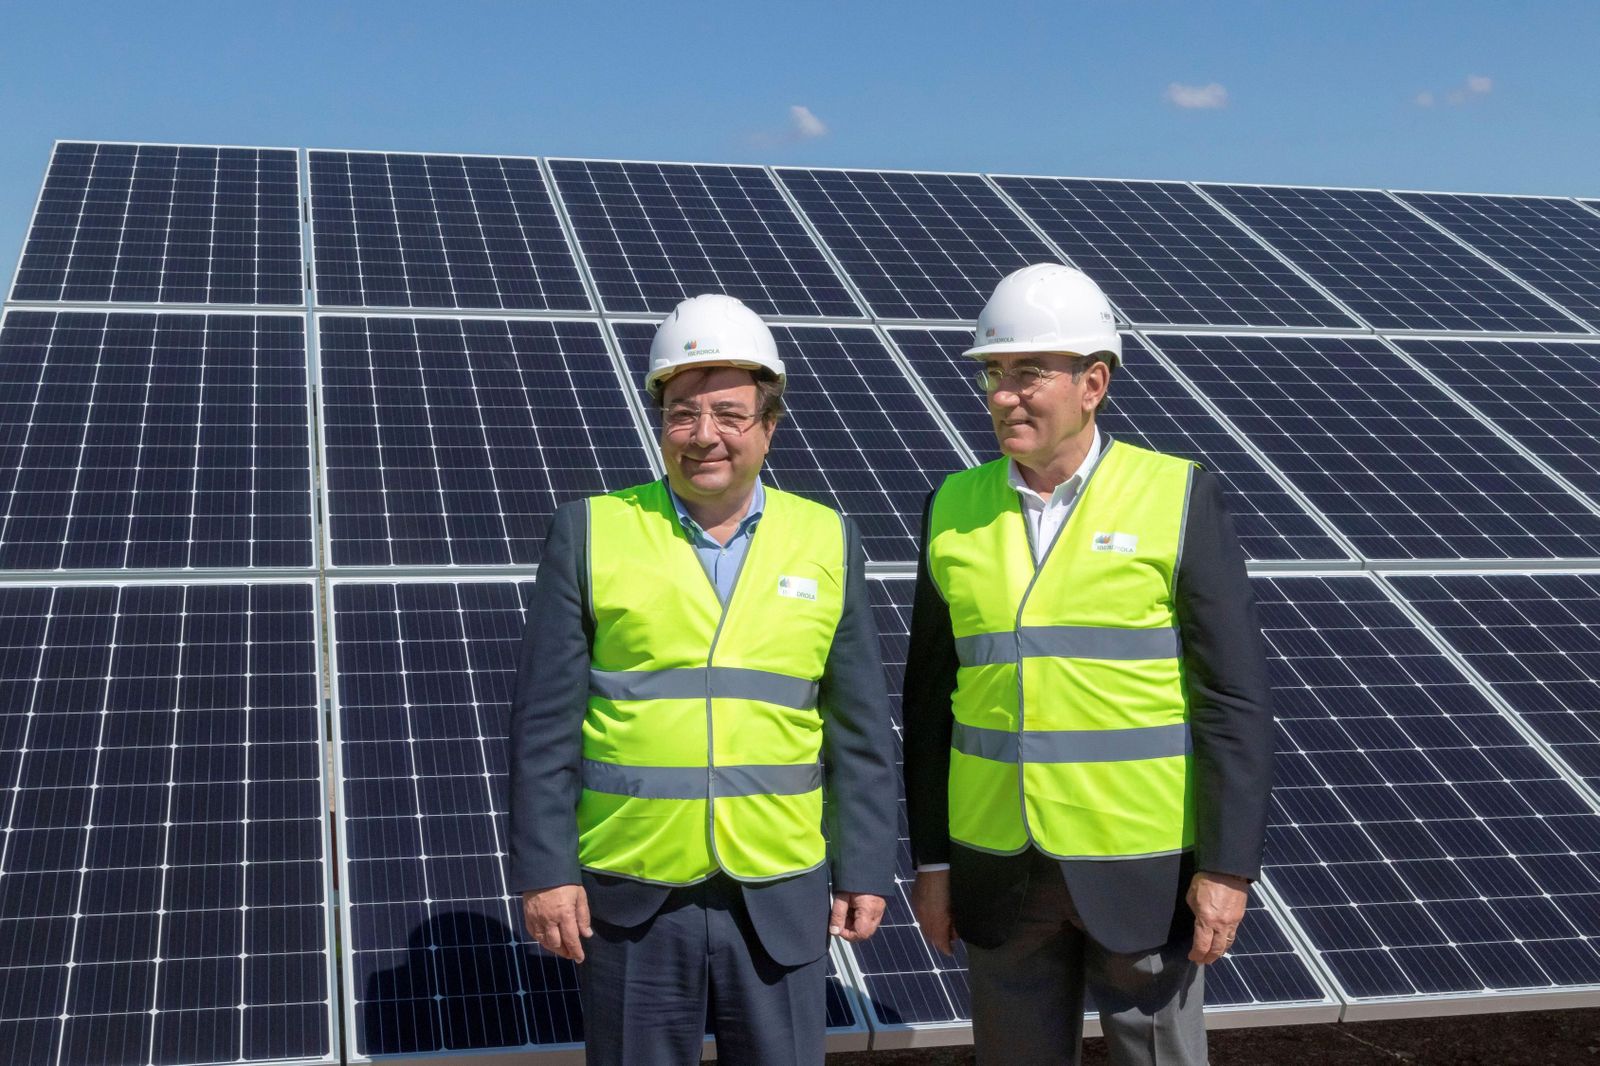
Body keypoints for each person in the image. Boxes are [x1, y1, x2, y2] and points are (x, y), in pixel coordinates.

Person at [506, 293, 896, 1066]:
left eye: (729, 413)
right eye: (683, 413)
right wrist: (547, 871)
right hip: (631, 888)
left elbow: (858, 727)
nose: (704, 436)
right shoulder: (591, 530)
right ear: (659, 422)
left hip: (779, 885)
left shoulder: (826, 537)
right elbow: (543, 726)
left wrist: (863, 866)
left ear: (768, 425)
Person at [903, 263, 1275, 1065]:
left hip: (1143, 870)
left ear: (1094, 382)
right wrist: (933, 861)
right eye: (995, 375)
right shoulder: (951, 507)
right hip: (997, 867)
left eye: (1029, 374)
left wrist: (1228, 869)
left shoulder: (1177, 496)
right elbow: (931, 706)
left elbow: (1233, 699)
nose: (1005, 395)